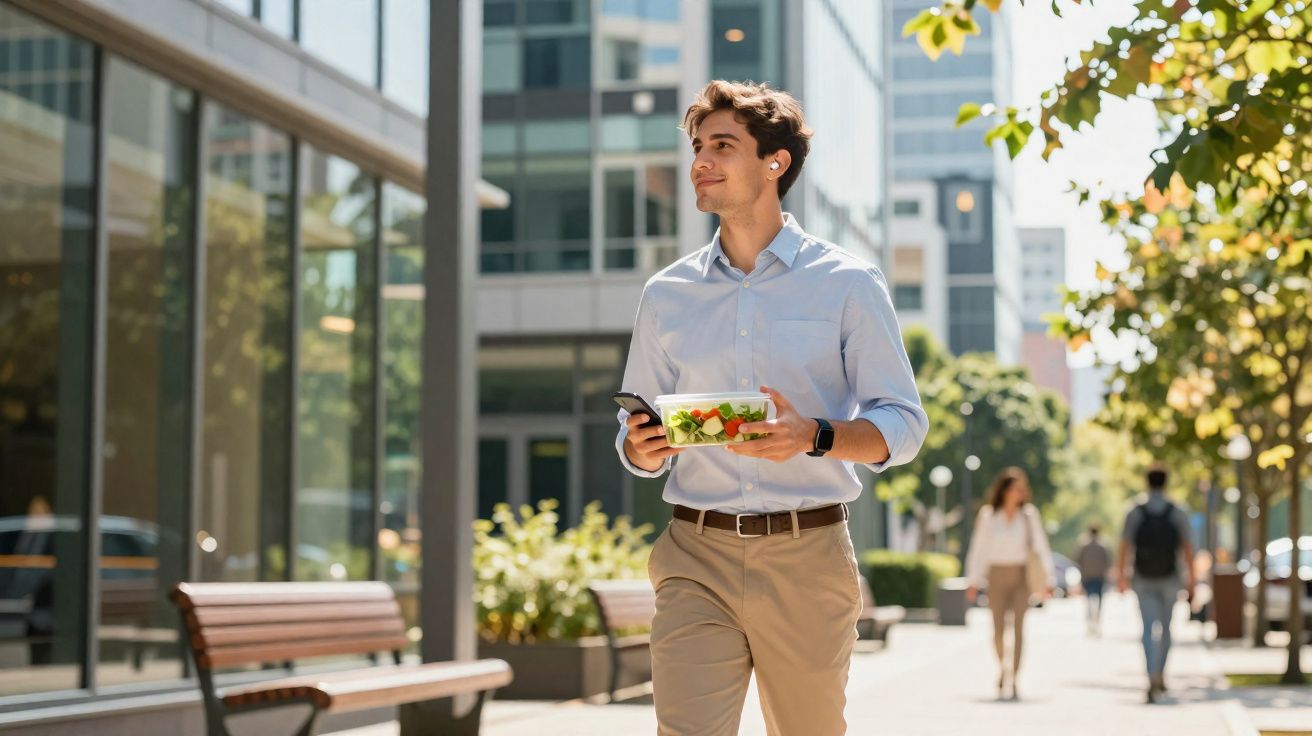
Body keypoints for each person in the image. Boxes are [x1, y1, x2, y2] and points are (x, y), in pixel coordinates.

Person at [616, 80, 928, 735]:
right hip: (695, 555)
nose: (701, 161)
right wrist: (639, 447)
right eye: (698, 147)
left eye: (722, 145)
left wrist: (813, 435)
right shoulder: (667, 294)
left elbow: (903, 423)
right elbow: (636, 428)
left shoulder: (847, 284)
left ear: (774, 162)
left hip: (806, 556)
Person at [965, 468, 1056, 701]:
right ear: (1004, 490)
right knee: (997, 631)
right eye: (1014, 489)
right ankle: (1002, 667)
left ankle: (1014, 677)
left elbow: (1041, 547)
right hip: (996, 576)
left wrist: (1049, 580)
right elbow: (978, 548)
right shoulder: (988, 515)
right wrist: (973, 580)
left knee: (1018, 629)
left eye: (1021, 489)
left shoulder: (1029, 515)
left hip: (1021, 576)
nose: (1018, 493)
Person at [1117, 466, 1196, 704]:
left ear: (1147, 482)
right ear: (1166, 482)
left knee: (1147, 629)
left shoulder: (1135, 510)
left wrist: (1121, 575)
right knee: (1166, 629)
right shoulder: (1177, 511)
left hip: (1142, 578)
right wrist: (1192, 579)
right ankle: (1160, 673)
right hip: (1171, 578)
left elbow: (1124, 544)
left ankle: (1151, 672)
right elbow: (1187, 547)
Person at [1074, 525, 1112, 636]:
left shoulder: (1083, 546)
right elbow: (1108, 561)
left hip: (1087, 576)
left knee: (1088, 600)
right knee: (1099, 601)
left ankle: (1090, 623)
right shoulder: (1103, 546)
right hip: (1099, 577)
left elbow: (1077, 560)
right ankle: (1097, 622)